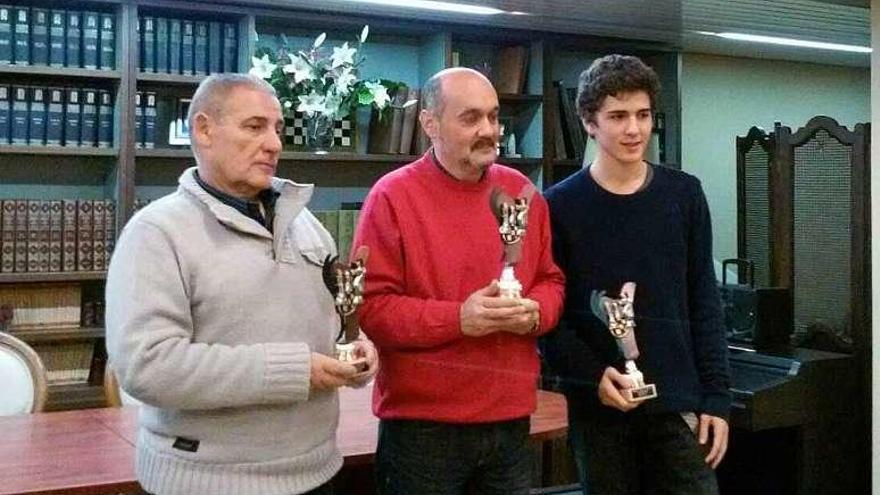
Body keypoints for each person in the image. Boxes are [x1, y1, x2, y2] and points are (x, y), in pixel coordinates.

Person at [105, 73, 378, 495]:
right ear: (203, 129)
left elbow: (333, 326)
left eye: (277, 129)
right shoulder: (156, 232)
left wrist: (356, 351)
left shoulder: (307, 226)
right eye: (254, 127)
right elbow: (147, 367)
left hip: (320, 469)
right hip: (209, 483)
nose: (274, 144)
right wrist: (294, 370)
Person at [352, 67, 566, 495]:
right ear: (430, 124)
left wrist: (535, 312)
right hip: (423, 433)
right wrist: (458, 319)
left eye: (493, 116)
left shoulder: (523, 192)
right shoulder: (392, 197)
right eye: (470, 118)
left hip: (510, 424)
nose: (488, 130)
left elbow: (550, 280)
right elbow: (372, 308)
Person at [541, 54, 731, 494]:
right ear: (590, 123)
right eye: (618, 116)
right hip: (600, 410)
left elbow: (704, 299)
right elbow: (553, 316)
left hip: (677, 402)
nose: (633, 129)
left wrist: (717, 398)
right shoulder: (557, 206)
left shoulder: (684, 194)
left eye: (643, 115)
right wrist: (592, 376)